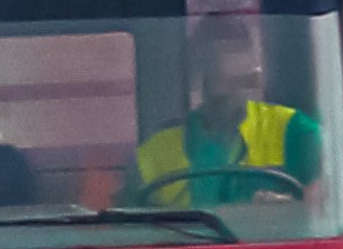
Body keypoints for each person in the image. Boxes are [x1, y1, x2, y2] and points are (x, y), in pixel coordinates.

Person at [133, 17, 321, 206]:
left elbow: (327, 204)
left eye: (241, 81)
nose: (230, 94)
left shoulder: (295, 131)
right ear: (197, 76)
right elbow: (128, 219)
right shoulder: (152, 155)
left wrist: (291, 207)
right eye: (219, 80)